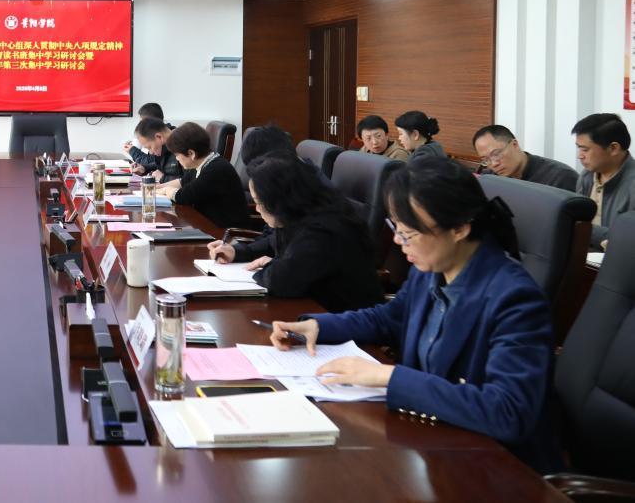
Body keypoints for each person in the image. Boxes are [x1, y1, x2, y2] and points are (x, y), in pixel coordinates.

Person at [267, 158, 560, 472]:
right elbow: (389, 318)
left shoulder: (515, 298)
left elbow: (508, 412)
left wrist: (389, 377)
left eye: (409, 233)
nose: (397, 241)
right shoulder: (431, 268)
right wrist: (318, 326)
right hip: (433, 443)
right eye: (396, 228)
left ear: (460, 228)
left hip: (495, 468)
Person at [207, 153, 382, 312]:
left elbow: (280, 281)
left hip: (344, 321)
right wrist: (238, 252)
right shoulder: (299, 213)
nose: (257, 209)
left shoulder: (323, 230)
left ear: (279, 201)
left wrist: (275, 265)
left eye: (259, 202)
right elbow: (272, 242)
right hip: (314, 310)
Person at [156, 121, 246, 230]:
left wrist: (165, 190)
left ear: (191, 154)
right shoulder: (202, 163)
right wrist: (157, 188)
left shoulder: (216, 170)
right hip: (207, 224)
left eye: (177, 155)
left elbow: (183, 197)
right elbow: (182, 182)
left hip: (225, 233)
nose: (177, 159)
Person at [573, 113, 635, 249]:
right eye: (579, 148)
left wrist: (585, 230)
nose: (580, 156)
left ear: (613, 148)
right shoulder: (586, 176)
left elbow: (627, 240)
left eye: (585, 150)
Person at [472, 124, 576, 191]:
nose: (494, 164)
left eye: (496, 154)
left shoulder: (561, 177)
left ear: (514, 144)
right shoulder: (490, 177)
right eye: (486, 160)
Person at [130, 117, 182, 183]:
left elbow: (189, 180)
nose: (151, 153)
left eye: (149, 147)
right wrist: (144, 168)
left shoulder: (183, 146)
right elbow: (161, 164)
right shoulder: (164, 148)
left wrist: (163, 178)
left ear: (159, 137)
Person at [124, 102, 172, 173]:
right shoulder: (163, 139)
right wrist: (144, 168)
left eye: (142, 123)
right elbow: (160, 163)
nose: (151, 152)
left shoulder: (177, 144)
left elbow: (184, 177)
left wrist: (133, 151)